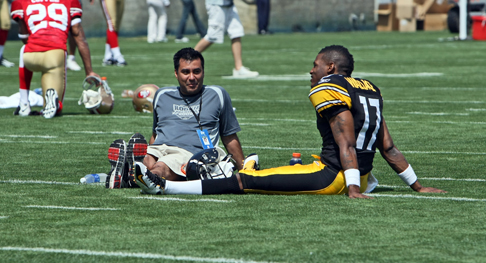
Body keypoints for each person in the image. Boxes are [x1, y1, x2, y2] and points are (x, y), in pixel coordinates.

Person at [134, 45, 446, 198]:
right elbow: (388, 147)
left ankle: (169, 188)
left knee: (248, 182)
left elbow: (346, 141)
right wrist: (416, 186)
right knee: (283, 169)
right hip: (364, 176)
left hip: (335, 176)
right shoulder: (370, 88)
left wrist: (351, 189)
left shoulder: (329, 86)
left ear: (331, 67)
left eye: (316, 65)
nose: (311, 71)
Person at [106, 47, 246, 188]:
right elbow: (156, 133)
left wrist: (245, 171)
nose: (192, 77)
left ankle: (132, 174)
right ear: (176, 73)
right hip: (159, 147)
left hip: (189, 153)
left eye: (196, 71)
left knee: (161, 166)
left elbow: (229, 136)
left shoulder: (217, 95)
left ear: (203, 72)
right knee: (147, 157)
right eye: (185, 72)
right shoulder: (161, 95)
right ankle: (134, 169)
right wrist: (151, 150)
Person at [10, 0, 100, 118]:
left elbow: (24, 37)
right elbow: (78, 36)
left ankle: (23, 104)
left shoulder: (21, 3)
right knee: (54, 106)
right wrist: (89, 71)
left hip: (30, 56)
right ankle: (54, 103)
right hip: (55, 55)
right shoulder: (69, 2)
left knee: (24, 49)